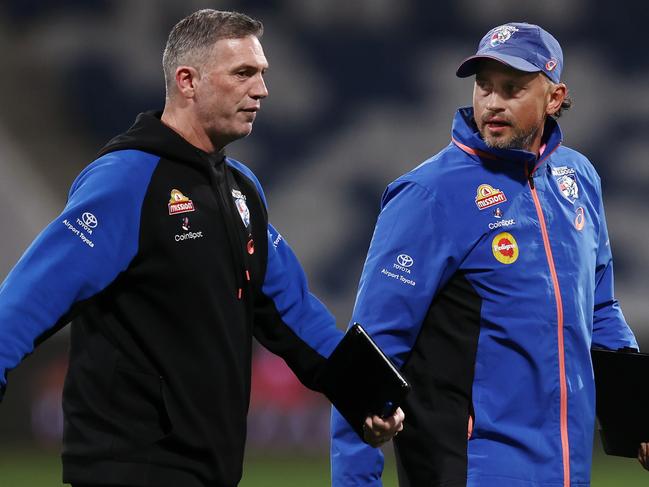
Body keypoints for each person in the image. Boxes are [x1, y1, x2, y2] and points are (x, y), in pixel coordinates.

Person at [0, 9, 403, 487]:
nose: (262, 89)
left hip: (209, 469)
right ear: (187, 81)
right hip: (129, 467)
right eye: (243, 73)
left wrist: (365, 392)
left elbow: (292, 312)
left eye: (263, 74)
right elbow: (29, 298)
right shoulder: (127, 181)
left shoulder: (241, 189)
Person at [330, 22, 638, 487]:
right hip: (467, 470)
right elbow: (371, 349)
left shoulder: (578, 180)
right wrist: (356, 480)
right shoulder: (428, 194)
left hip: (567, 471)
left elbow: (600, 308)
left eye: (512, 89)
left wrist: (639, 416)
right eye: (484, 87)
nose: (492, 102)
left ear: (554, 98)